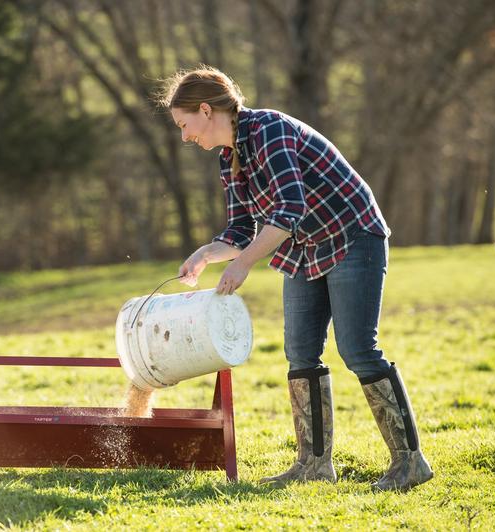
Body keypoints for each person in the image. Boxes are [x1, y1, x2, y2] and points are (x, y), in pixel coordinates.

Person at [160, 66, 433, 491]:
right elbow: (240, 229)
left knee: (358, 348)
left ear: (205, 110)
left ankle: (410, 462)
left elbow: (289, 209)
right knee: (301, 354)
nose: (184, 136)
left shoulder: (269, 130)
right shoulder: (228, 157)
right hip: (304, 248)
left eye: (184, 125)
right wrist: (206, 256)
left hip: (352, 235)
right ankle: (313, 464)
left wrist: (244, 263)